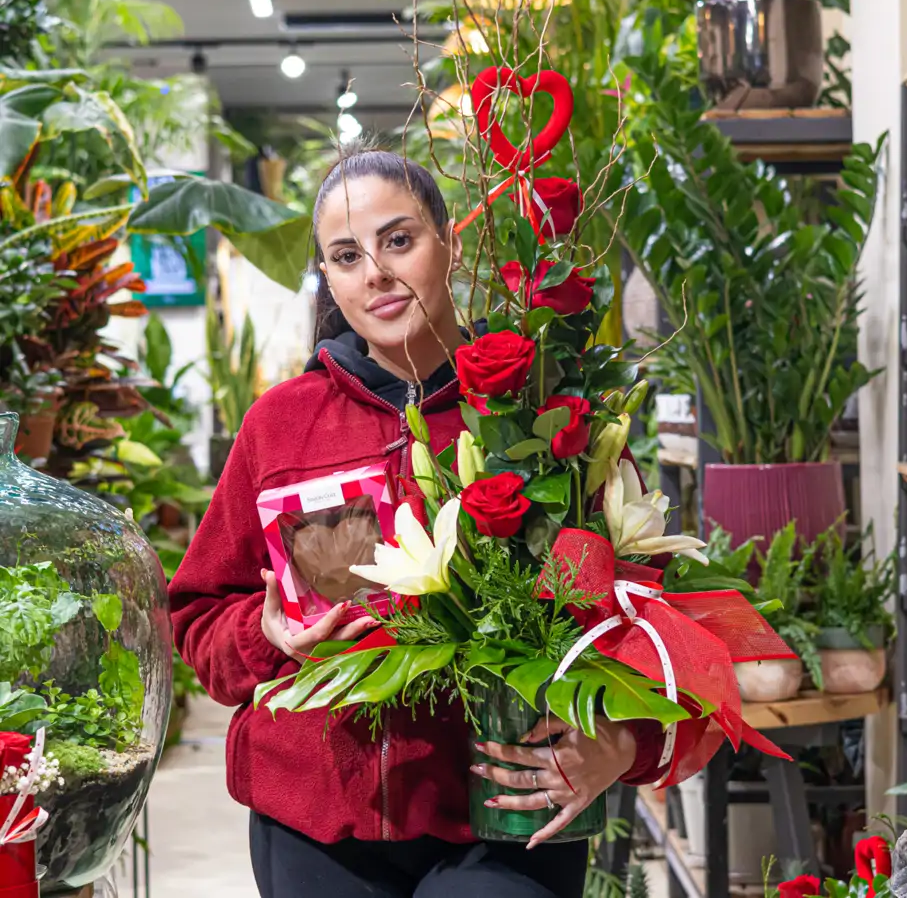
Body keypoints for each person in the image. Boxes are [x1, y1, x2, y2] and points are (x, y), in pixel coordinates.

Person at [169, 143, 673, 898]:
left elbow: (651, 621)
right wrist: (265, 635)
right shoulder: (280, 425)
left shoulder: (543, 413)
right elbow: (198, 615)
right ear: (329, 277)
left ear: (450, 241)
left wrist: (624, 746)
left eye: (398, 240)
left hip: (504, 810)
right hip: (316, 811)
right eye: (345, 255)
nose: (375, 271)